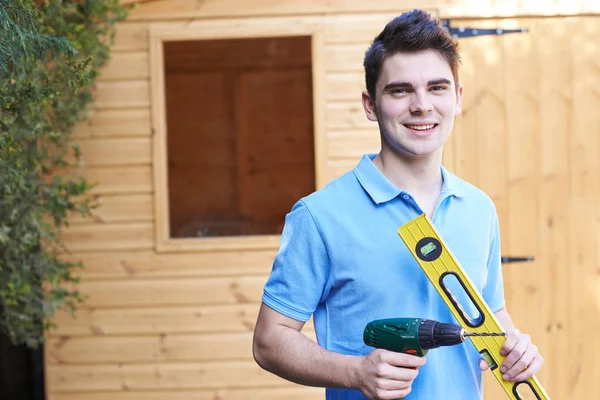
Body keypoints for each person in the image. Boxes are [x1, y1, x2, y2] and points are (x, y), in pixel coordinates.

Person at [252, 9, 544, 400]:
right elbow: (270, 341)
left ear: (457, 99)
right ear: (370, 105)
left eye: (437, 88)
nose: (421, 105)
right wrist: (355, 372)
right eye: (400, 90)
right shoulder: (320, 216)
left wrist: (515, 348)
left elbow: (490, 314)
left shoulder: (477, 208)